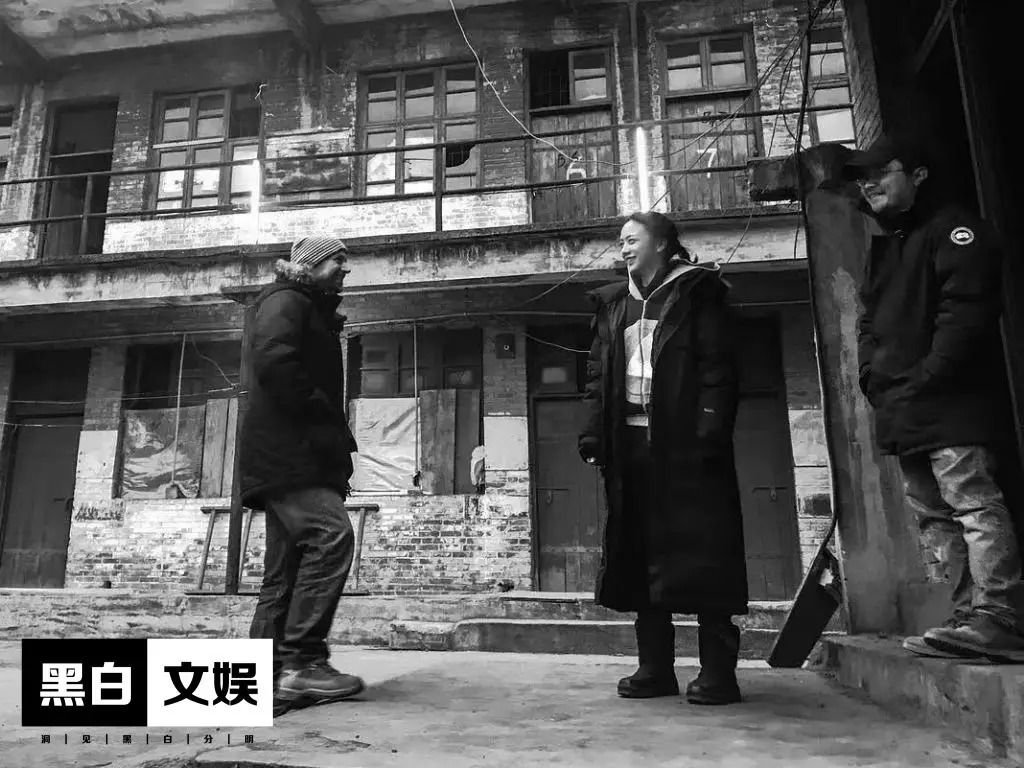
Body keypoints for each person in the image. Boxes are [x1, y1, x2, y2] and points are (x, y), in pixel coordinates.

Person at [848, 133, 1024, 662]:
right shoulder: (889, 246)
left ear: (918, 174)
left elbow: (966, 310)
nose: (869, 184)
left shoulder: (955, 230)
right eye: (863, 178)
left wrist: (930, 374)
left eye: (881, 172)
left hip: (949, 402)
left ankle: (1001, 616)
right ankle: (969, 616)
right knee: (933, 514)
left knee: (971, 501)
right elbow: (869, 321)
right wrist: (870, 376)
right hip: (902, 405)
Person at [578, 211, 748, 705]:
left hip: (688, 447)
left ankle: (718, 672)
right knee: (640, 554)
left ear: (661, 244)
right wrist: (593, 432)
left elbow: (718, 368)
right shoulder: (615, 304)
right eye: (621, 241)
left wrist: (709, 433)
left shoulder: (697, 292)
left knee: (705, 554)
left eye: (633, 239)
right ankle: (655, 668)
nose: (624, 247)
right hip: (631, 448)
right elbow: (597, 376)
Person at [240, 236, 363, 715]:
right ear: (309, 265)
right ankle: (303, 662)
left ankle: (263, 685)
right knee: (332, 537)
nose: (344, 269)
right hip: (291, 457)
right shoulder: (287, 300)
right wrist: (321, 416)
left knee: (283, 574)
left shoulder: (307, 307)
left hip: (290, 456)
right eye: (336, 260)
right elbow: (275, 362)